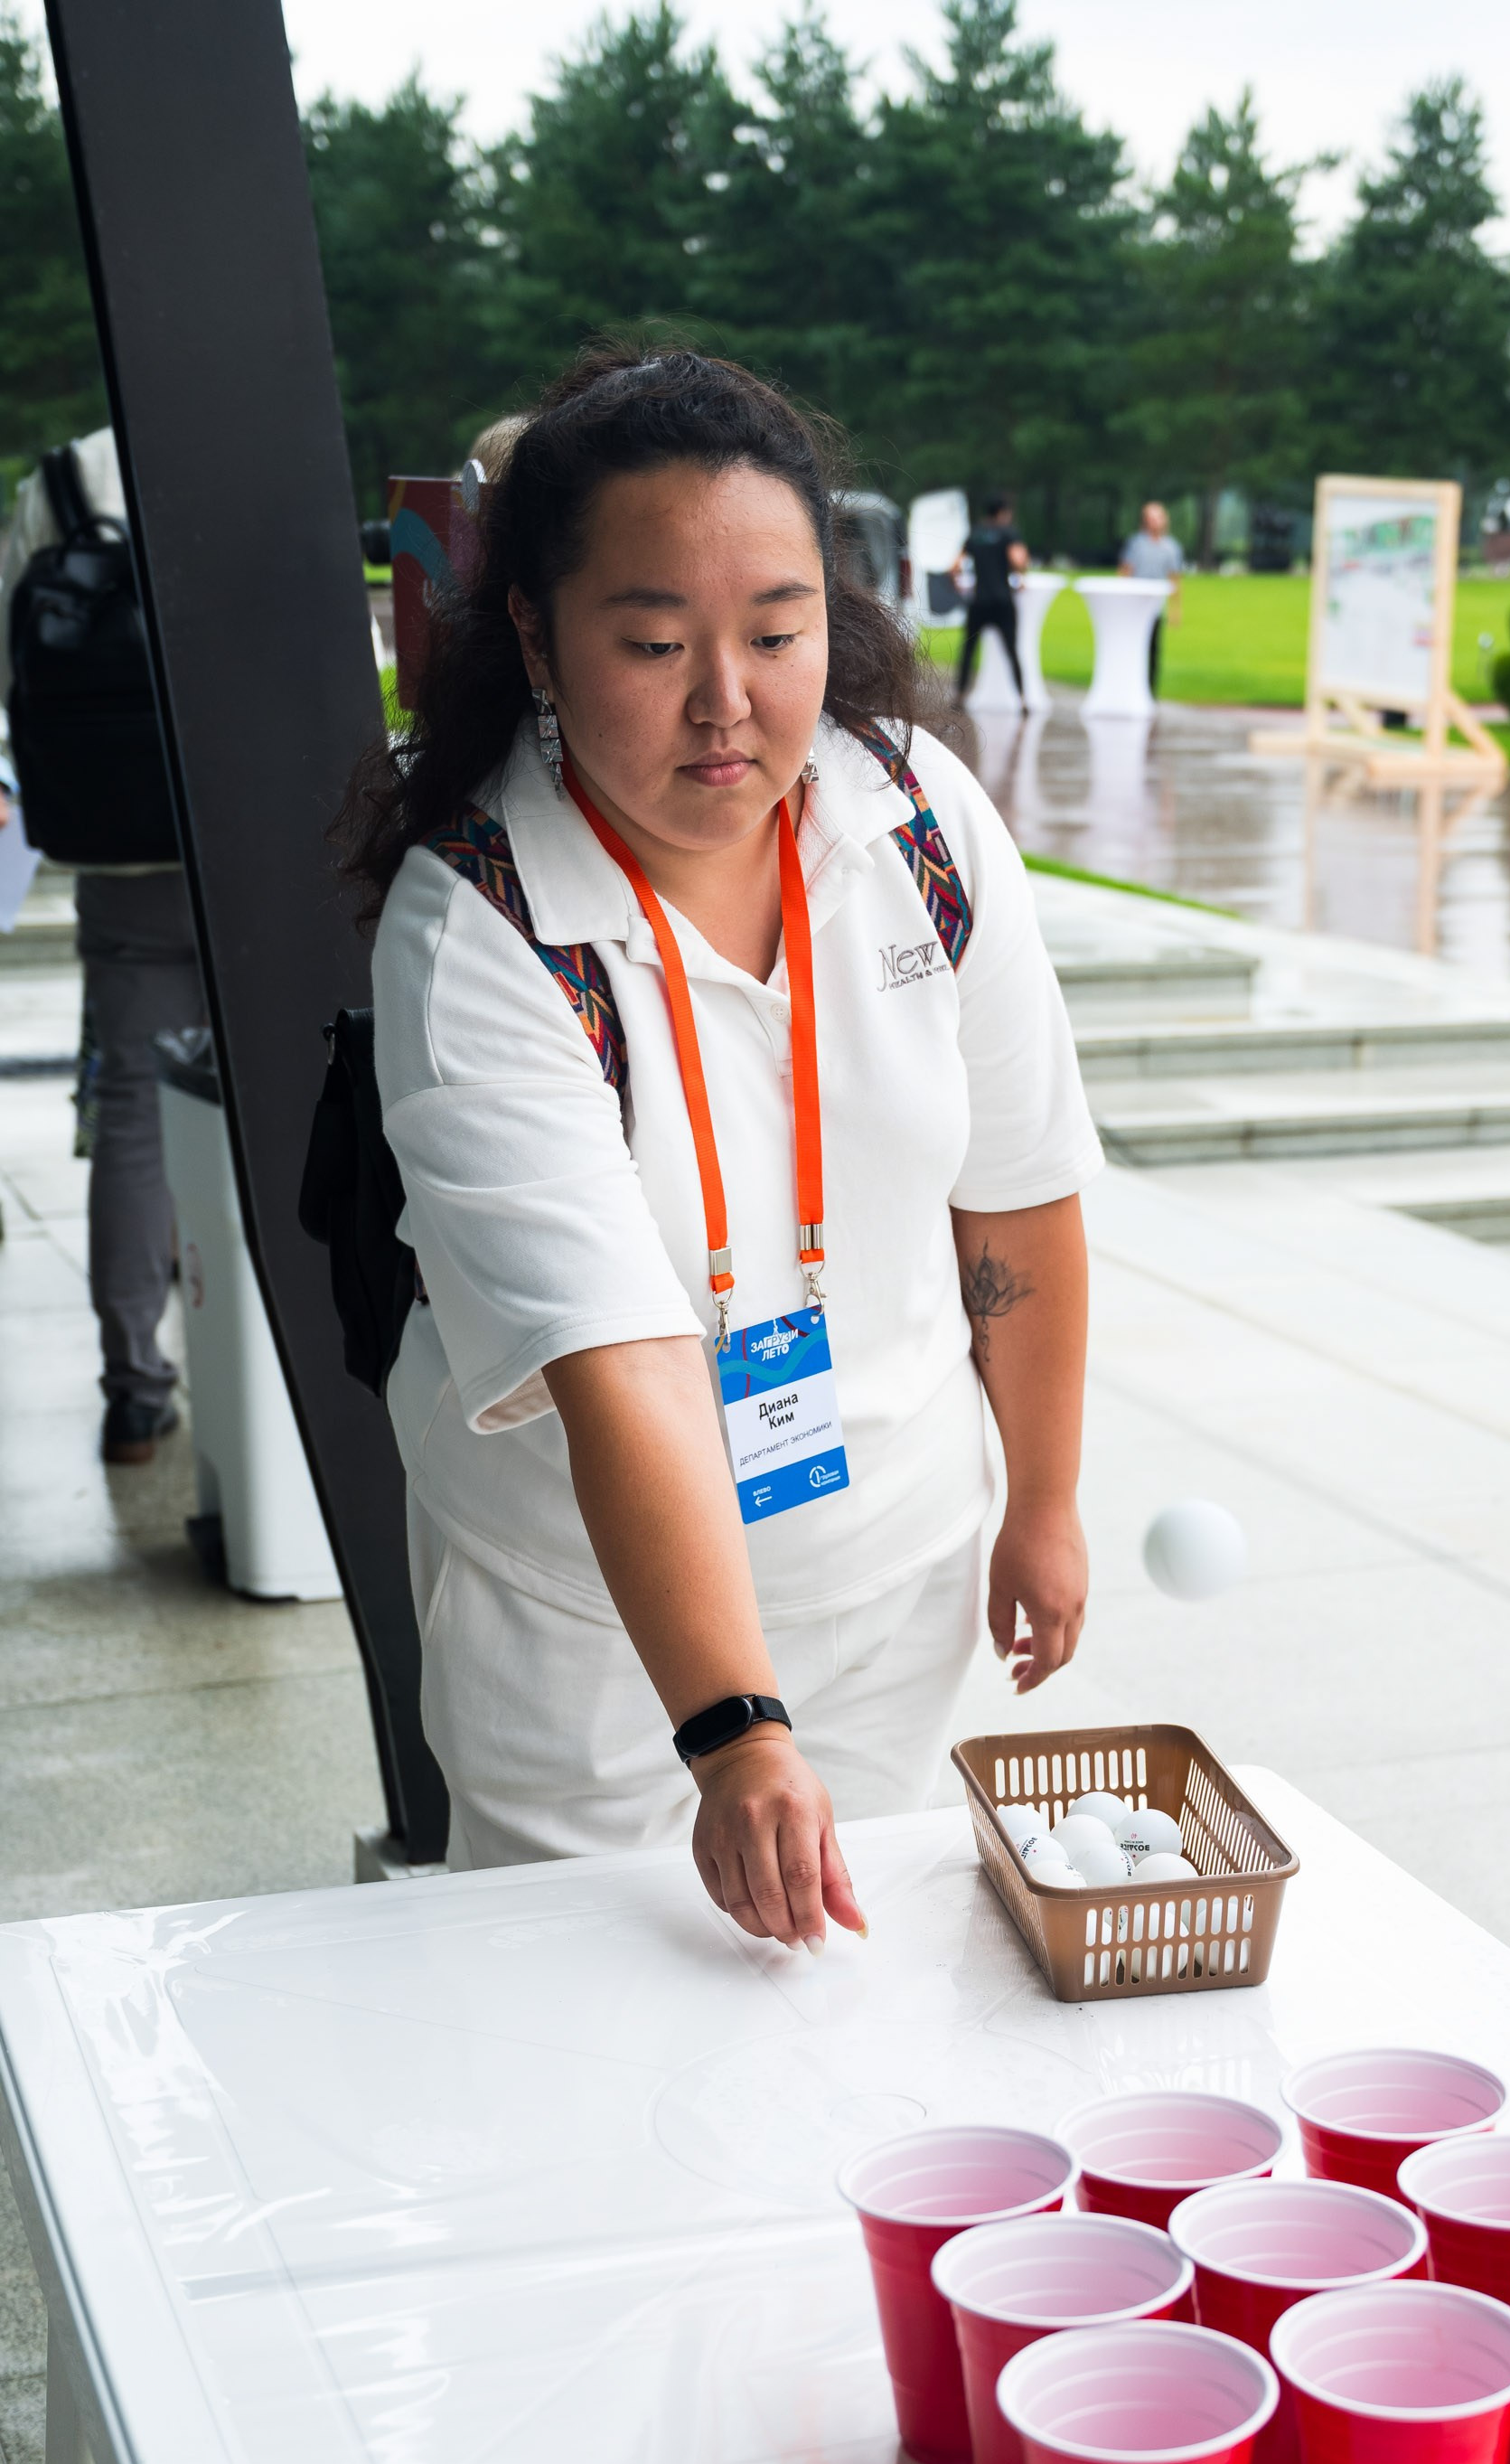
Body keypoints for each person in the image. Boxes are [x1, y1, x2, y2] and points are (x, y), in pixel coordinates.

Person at [344, 346, 1102, 1950]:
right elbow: (617, 1360)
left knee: (861, 2049)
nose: (728, 703)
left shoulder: (917, 823)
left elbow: (1018, 1192)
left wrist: (1042, 1496)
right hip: (596, 1648)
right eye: (653, 641)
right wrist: (735, 1728)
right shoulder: (481, 923)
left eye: (776, 631)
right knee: (598, 2055)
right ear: (537, 637)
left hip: (896, 1571)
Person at [0, 428, 204, 1463]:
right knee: (289, 1106)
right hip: (240, 854)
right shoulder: (235, 447)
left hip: (116, 863)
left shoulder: (59, 482)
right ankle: (271, 1366)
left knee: (132, 1120)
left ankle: (135, 1388)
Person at [955, 495, 1030, 706]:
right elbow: (1018, 560)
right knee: (1012, 650)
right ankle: (1022, 699)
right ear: (1002, 512)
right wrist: (1021, 572)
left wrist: (958, 586)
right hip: (1003, 601)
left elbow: (955, 567)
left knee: (969, 650)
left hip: (979, 601)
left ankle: (960, 695)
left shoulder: (976, 533)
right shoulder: (1009, 533)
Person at [1120, 500, 1185, 697]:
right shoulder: (1136, 544)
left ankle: (1150, 692)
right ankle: (1130, 688)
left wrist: (1175, 609)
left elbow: (1174, 579)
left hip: (1155, 606)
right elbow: (1125, 572)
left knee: (1153, 650)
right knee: (1132, 648)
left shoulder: (1171, 547)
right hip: (1134, 604)